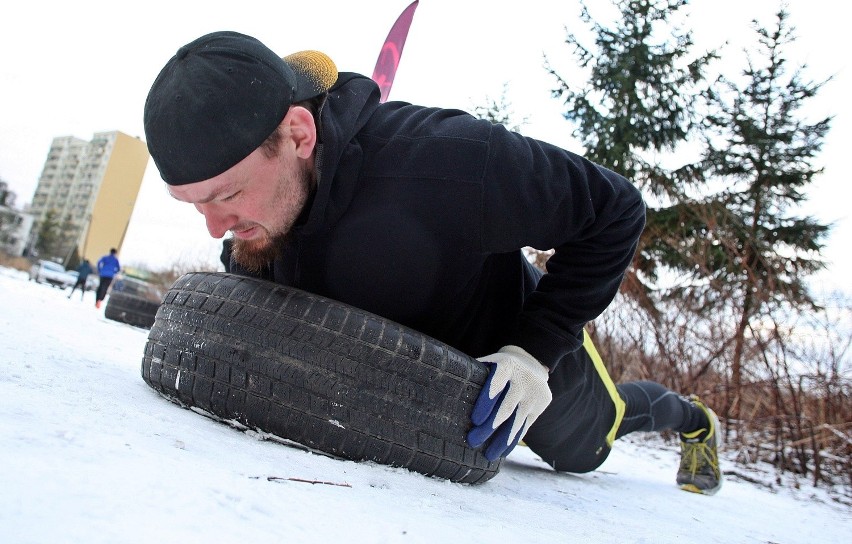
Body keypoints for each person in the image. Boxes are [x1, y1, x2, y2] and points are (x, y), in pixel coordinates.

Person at [142, 31, 722, 495]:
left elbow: (615, 210)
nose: (217, 228)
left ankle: (691, 418)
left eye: (227, 195)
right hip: (419, 392)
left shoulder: (451, 163)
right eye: (196, 205)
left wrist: (536, 350)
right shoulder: (258, 229)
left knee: (589, 445)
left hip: (520, 365)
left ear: (297, 133)